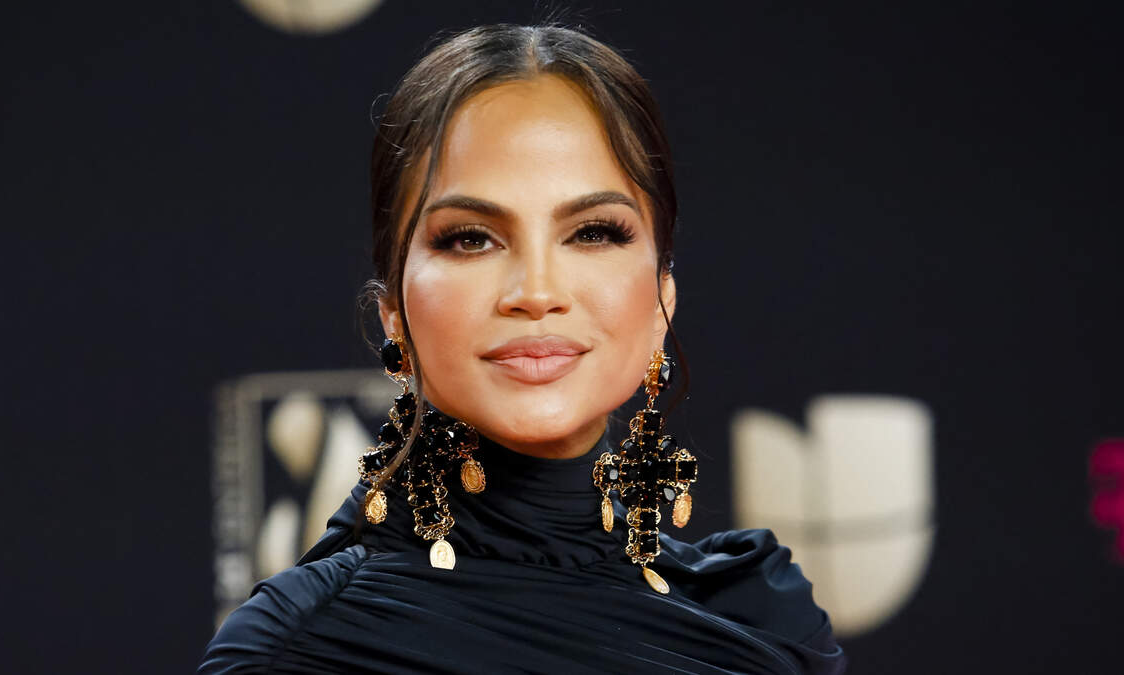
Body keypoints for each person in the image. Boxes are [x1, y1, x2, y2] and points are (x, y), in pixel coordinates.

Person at [200, 23, 847, 674]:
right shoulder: (303, 649)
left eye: (593, 232)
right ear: (393, 310)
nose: (536, 292)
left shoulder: (761, 617)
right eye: (470, 238)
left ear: (662, 295)